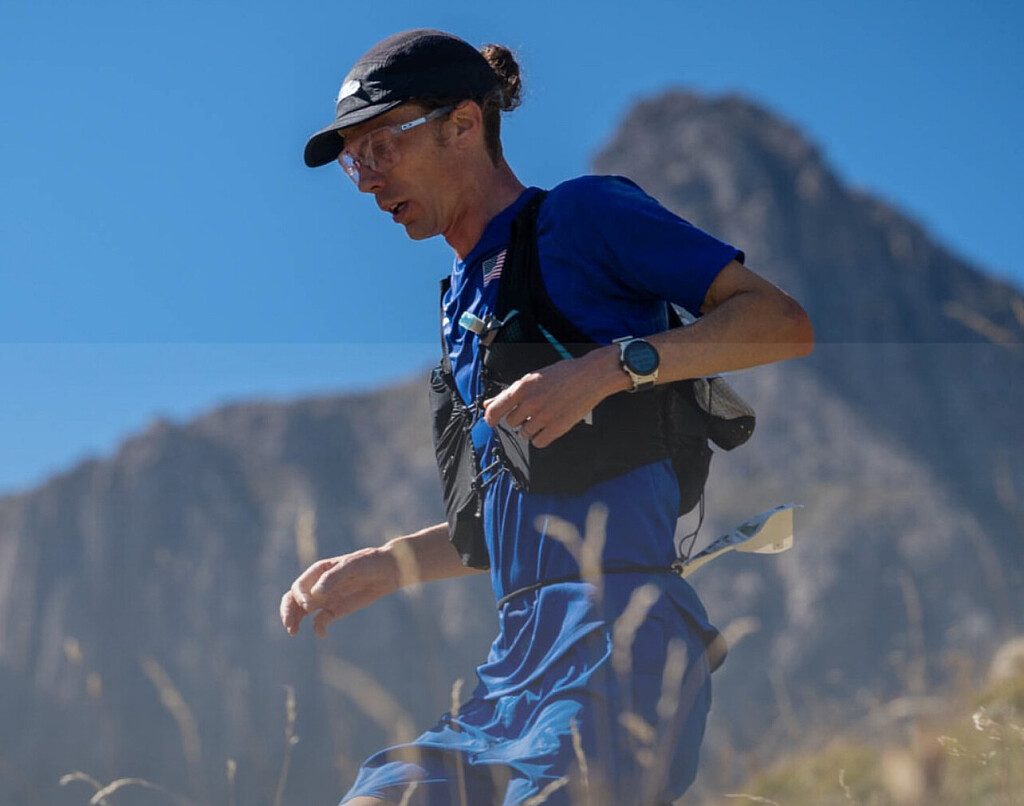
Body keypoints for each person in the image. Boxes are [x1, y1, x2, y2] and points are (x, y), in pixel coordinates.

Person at [281, 29, 814, 806]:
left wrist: (608, 369)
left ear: (464, 124)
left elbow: (781, 322)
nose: (367, 180)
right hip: (508, 675)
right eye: (353, 162)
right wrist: (388, 563)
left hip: (618, 645)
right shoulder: (460, 305)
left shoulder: (582, 217)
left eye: (380, 147)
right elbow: (505, 527)